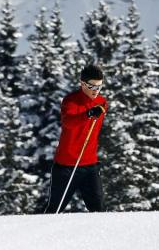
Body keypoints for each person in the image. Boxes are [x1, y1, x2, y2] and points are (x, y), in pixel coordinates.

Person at [43, 63, 108, 213]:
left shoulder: (102, 103)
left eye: (99, 86)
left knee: (99, 211)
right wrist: (88, 114)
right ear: (82, 84)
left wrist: (94, 112)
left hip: (90, 165)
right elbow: (68, 122)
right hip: (67, 165)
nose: (96, 91)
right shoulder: (70, 101)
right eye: (92, 86)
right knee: (54, 211)